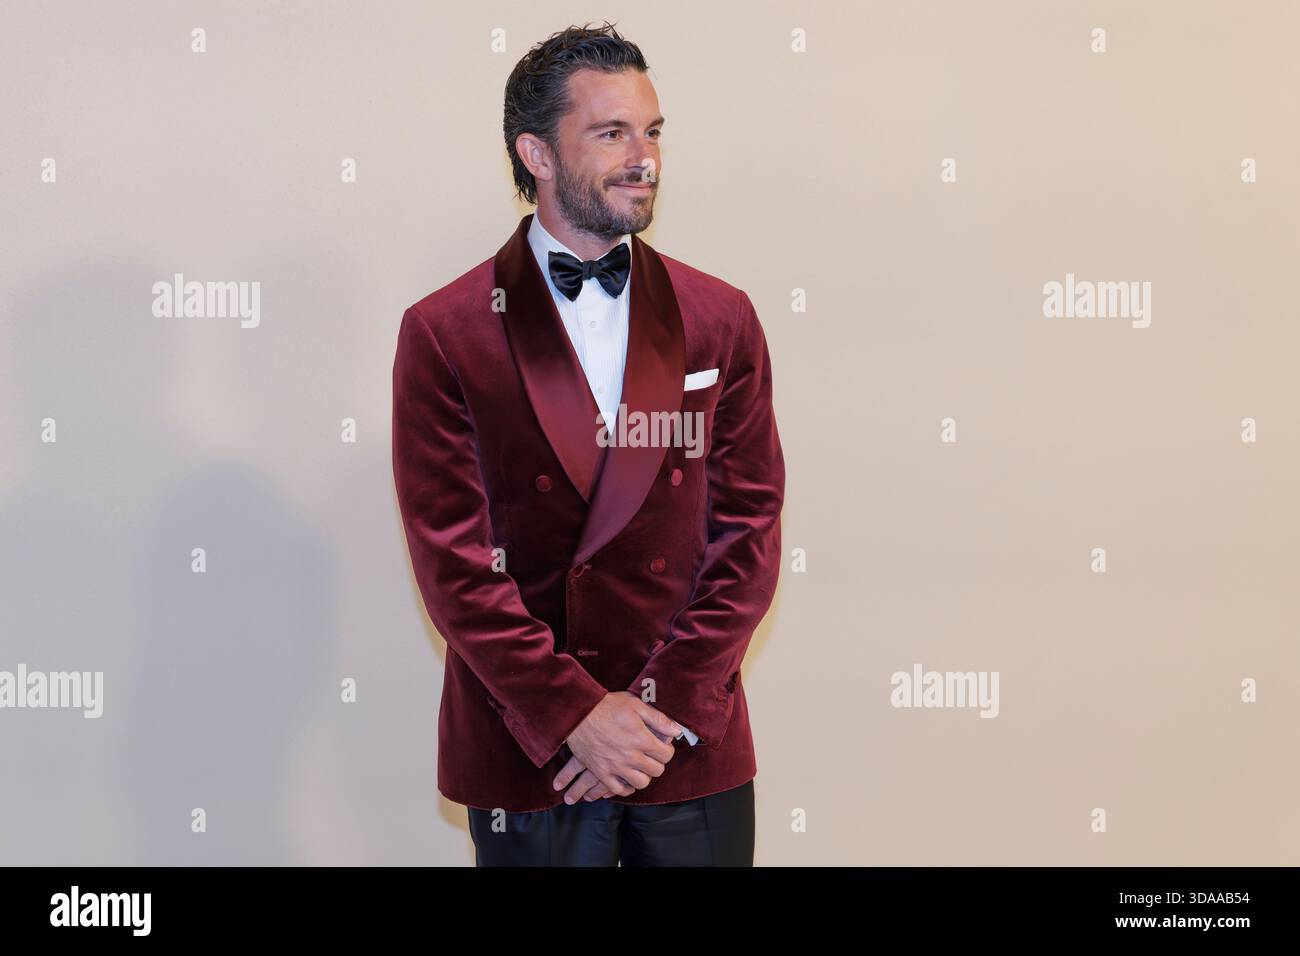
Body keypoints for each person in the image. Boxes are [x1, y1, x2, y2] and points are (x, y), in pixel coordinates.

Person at [391, 22, 784, 866]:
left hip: (686, 746)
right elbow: (454, 563)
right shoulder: (445, 332)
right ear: (536, 154)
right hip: (534, 752)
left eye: (652, 131)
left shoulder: (723, 315)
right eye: (611, 133)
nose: (643, 156)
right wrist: (575, 715)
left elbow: (749, 533)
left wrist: (660, 708)